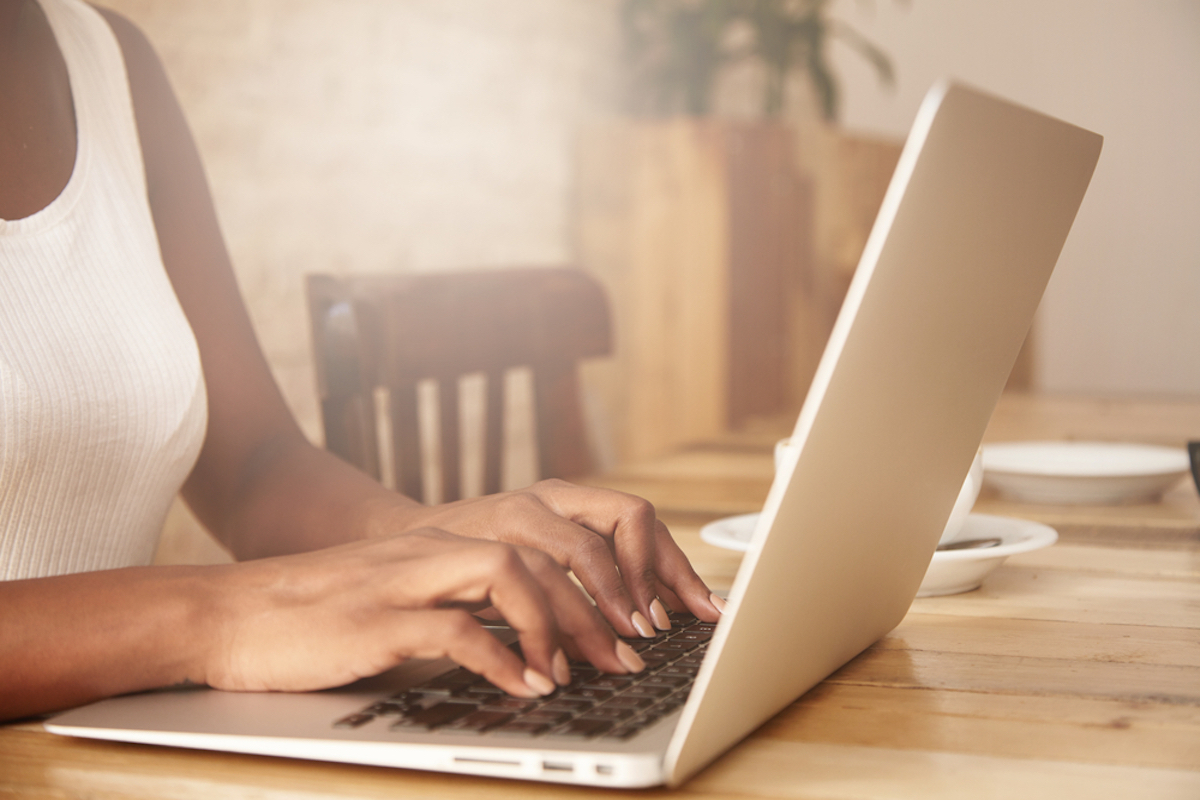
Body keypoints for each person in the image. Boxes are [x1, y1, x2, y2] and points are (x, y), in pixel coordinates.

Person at [0, 0, 723, 723]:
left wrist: (420, 535)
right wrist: (217, 617)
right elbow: (217, 609)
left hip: (99, 747)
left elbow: (253, 466)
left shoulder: (110, 60)